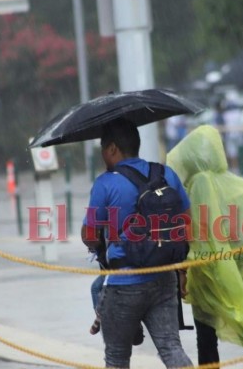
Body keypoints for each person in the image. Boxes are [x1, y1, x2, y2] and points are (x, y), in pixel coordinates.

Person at [81, 118, 194, 369]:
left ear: (112, 149)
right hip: (164, 277)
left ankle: (131, 330)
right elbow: (186, 225)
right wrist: (181, 270)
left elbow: (89, 234)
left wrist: (98, 243)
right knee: (171, 348)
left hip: (124, 285)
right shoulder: (166, 174)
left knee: (117, 358)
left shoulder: (106, 183)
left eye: (103, 149)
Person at [167, 125, 243, 369]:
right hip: (238, 269)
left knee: (210, 338)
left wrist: (185, 270)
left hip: (214, 274)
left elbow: (203, 236)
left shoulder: (200, 184)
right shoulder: (233, 183)